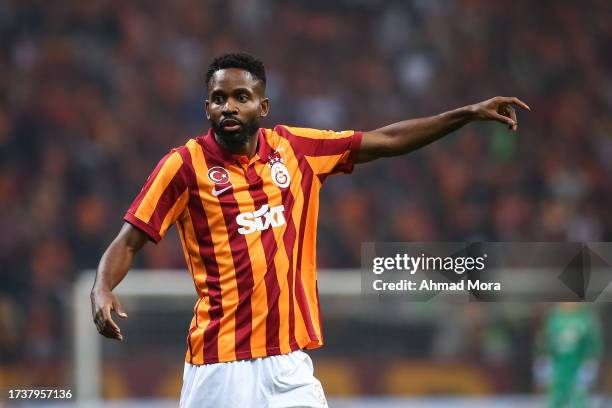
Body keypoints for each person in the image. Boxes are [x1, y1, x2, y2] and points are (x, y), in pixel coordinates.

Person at [91, 52, 529, 407]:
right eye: (219, 98)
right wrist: (102, 288)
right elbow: (129, 240)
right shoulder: (183, 166)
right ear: (206, 106)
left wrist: (467, 114)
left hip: (288, 366)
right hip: (219, 366)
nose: (229, 106)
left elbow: (386, 140)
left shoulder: (295, 149)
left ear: (262, 106)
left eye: (241, 97)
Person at [534, 303, 602, 408]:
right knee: (556, 396)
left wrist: (590, 361)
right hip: (559, 365)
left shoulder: (586, 317)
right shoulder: (554, 317)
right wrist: (543, 358)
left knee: (578, 395)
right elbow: (546, 340)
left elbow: (593, 342)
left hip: (578, 364)